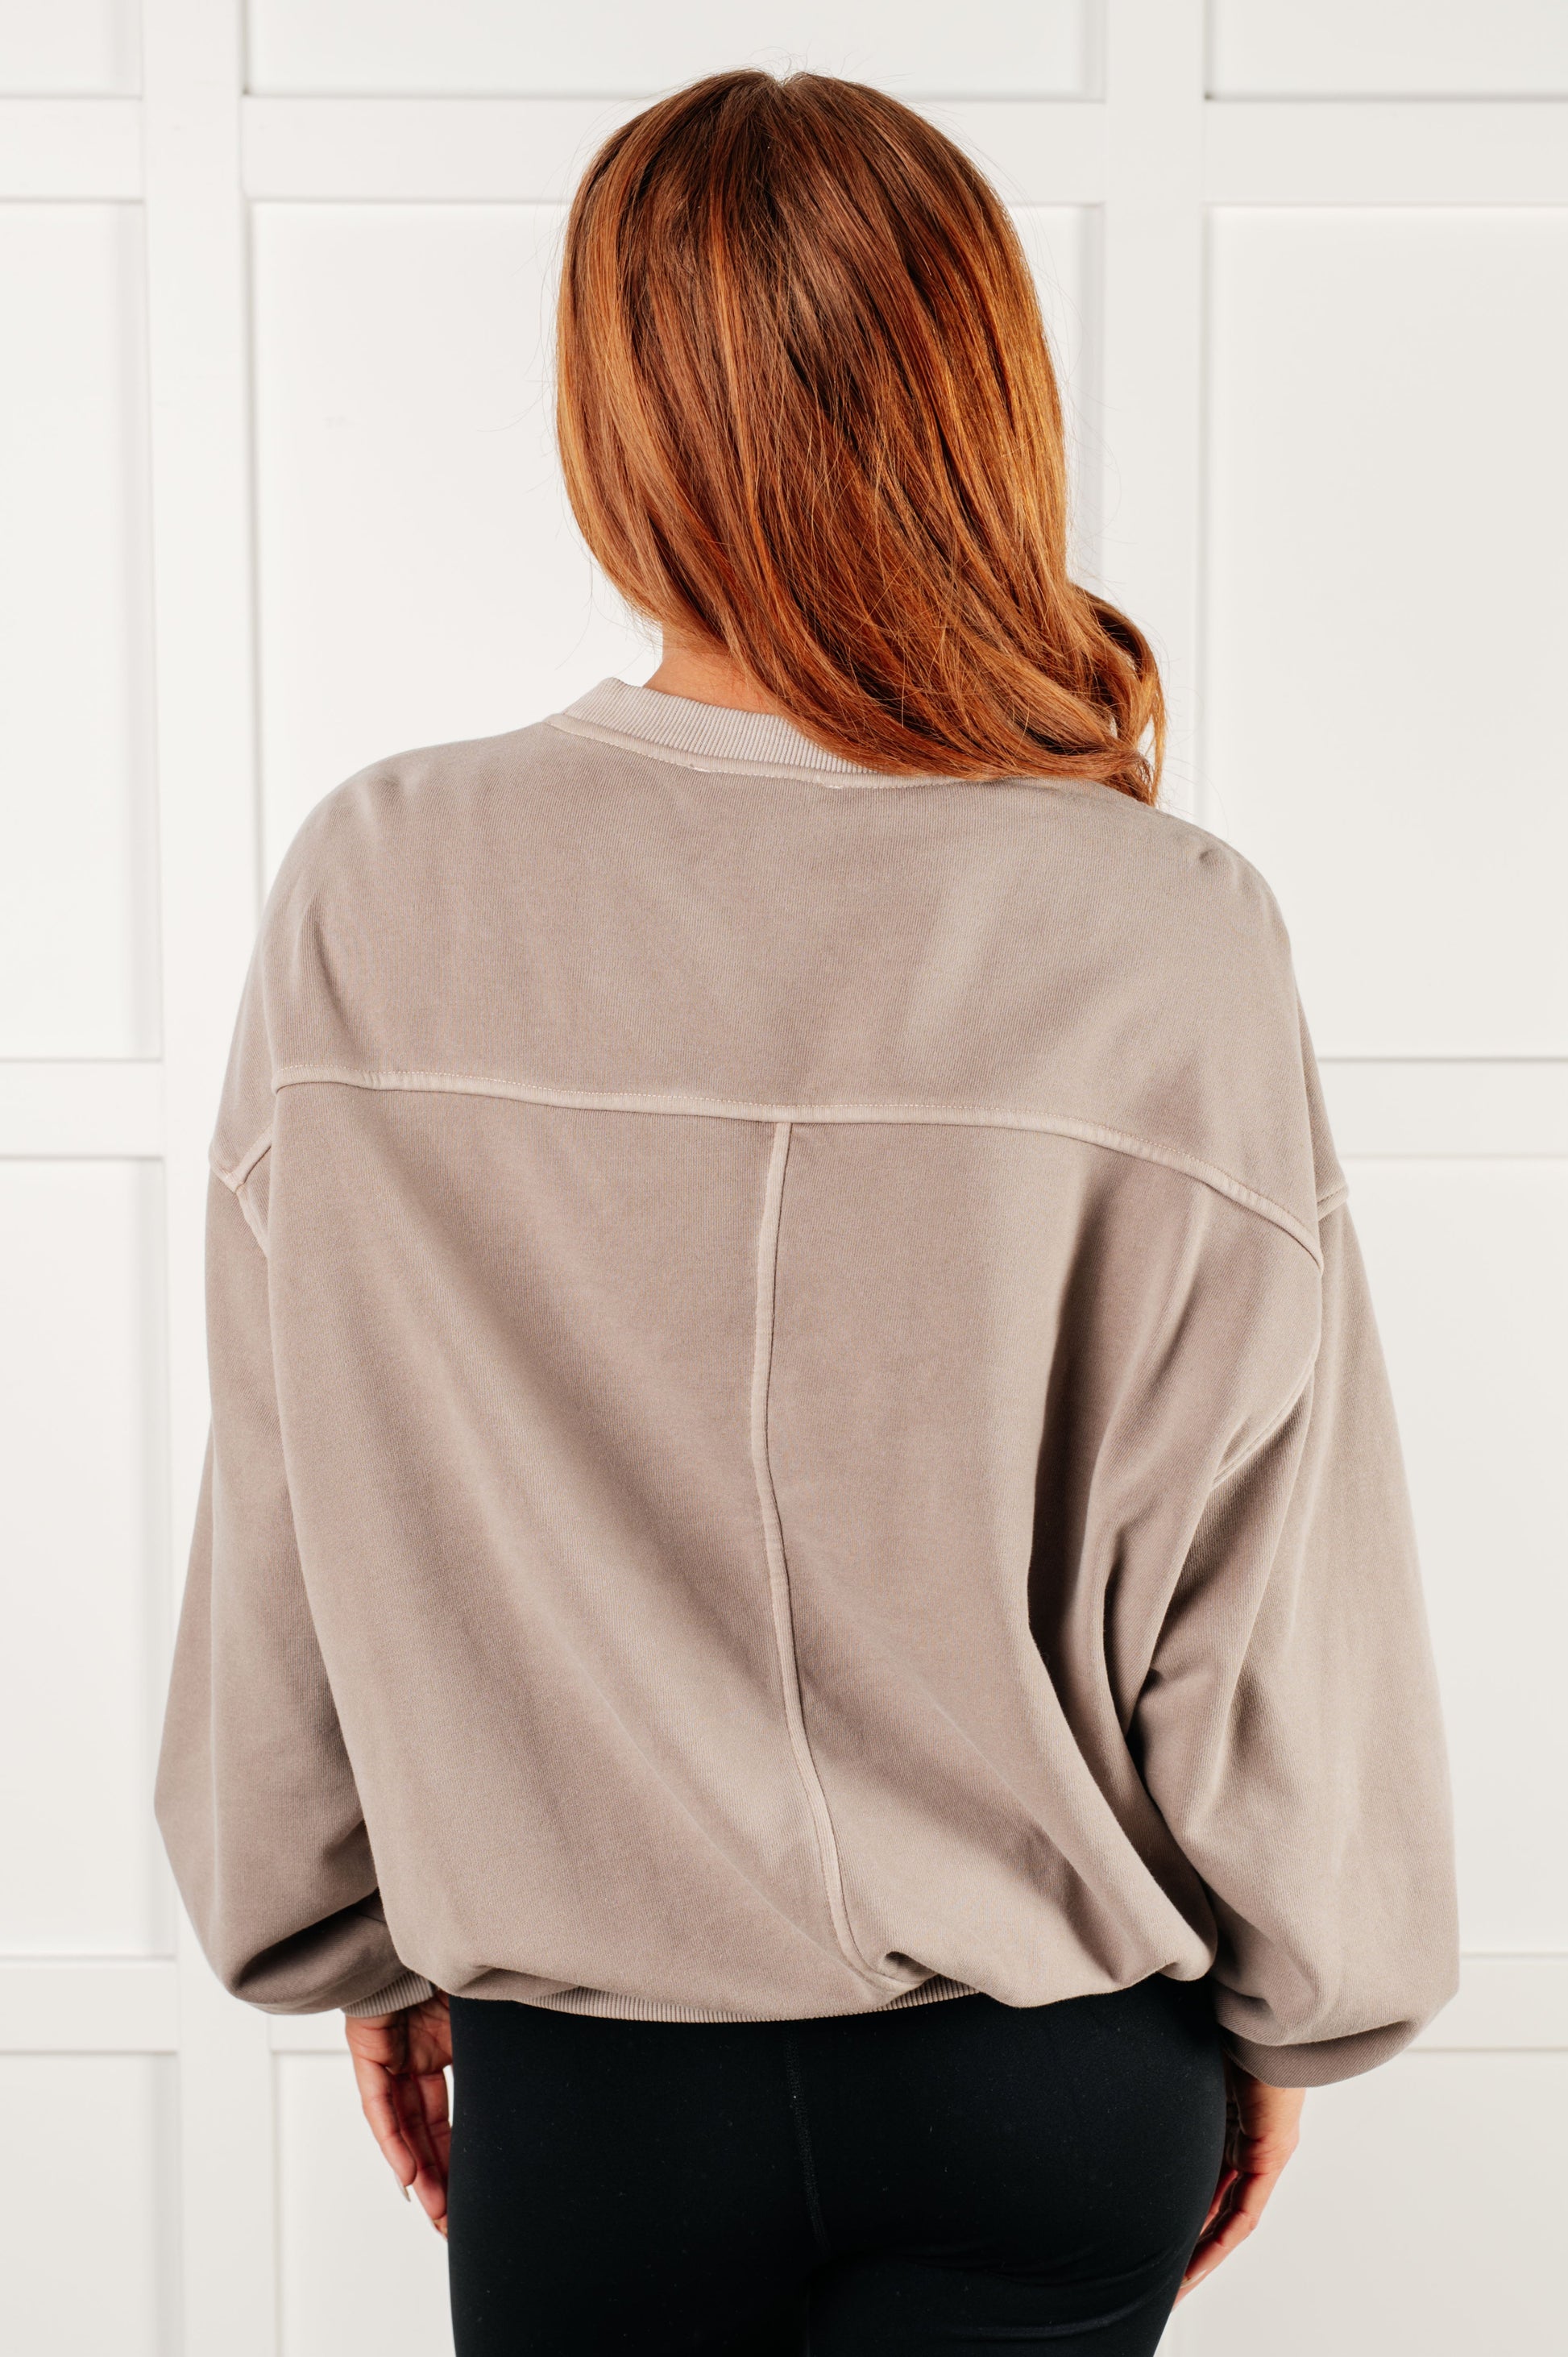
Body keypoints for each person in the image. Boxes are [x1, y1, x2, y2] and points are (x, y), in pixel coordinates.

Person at [154, 68, 1459, 2357]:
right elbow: (1257, 1555)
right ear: (979, 403)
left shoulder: (377, 884)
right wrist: (1298, 1996)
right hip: (1049, 2076)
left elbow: (291, 1500)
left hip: (587, 2086)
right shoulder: (1157, 923)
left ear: (615, 416)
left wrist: (337, 1925)